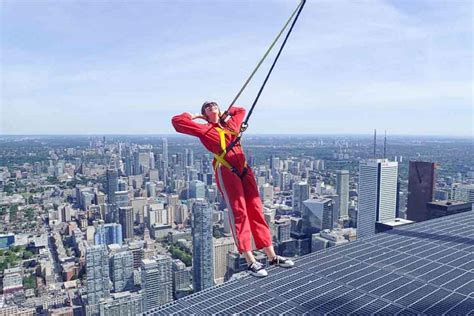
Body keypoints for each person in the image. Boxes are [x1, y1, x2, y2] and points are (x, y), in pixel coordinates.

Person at [172, 101, 294, 277]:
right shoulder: (204, 129)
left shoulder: (231, 124)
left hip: (244, 169)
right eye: (207, 107)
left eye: (214, 104)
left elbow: (241, 110)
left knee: (256, 210)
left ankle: (272, 256)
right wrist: (193, 116)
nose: (211, 106)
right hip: (226, 170)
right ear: (204, 114)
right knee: (239, 212)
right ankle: (250, 260)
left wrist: (227, 113)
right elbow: (177, 122)